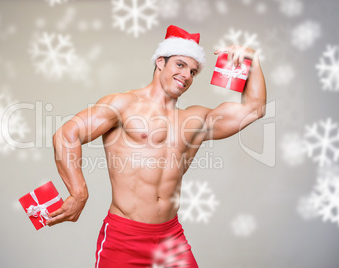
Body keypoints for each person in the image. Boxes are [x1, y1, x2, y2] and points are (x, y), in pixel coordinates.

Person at [46, 25, 267, 267]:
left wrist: (252, 60)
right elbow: (67, 135)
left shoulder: (194, 119)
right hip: (124, 237)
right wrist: (79, 193)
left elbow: (254, 109)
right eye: (180, 65)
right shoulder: (123, 104)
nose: (187, 75)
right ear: (160, 62)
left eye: (193, 71)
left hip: (171, 238)